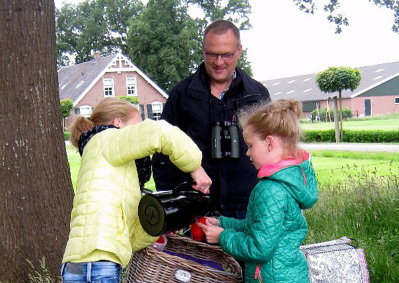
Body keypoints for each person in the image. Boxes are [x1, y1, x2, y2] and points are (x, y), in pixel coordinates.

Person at [60, 97, 211, 282]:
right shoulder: (106, 139)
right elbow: (160, 132)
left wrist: (158, 225)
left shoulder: (108, 167)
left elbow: (130, 238)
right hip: (100, 262)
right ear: (117, 123)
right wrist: (195, 167)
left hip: (78, 264)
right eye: (137, 126)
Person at [152, 19, 271, 219]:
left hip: (248, 209)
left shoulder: (257, 95)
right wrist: (170, 208)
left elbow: (274, 152)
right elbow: (162, 154)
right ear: (203, 50)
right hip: (195, 210)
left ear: (239, 51)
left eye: (226, 55)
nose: (219, 62)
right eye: (212, 54)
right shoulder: (182, 95)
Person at [197, 99, 318, 282]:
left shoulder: (270, 189)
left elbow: (259, 248)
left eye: (251, 146)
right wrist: (223, 223)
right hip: (288, 274)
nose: (247, 153)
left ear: (269, 144)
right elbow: (258, 227)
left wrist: (222, 236)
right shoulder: (288, 182)